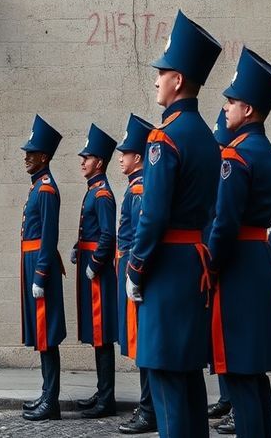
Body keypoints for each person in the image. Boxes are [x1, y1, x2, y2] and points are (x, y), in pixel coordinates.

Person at [124, 10, 222, 438]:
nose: (156, 80)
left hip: (164, 267)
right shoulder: (205, 134)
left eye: (161, 73)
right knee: (189, 380)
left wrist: (135, 267)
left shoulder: (165, 137)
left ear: (178, 80)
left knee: (164, 379)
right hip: (194, 265)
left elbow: (154, 214)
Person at [206, 48, 271, 438]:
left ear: (250, 109)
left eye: (232, 101)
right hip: (258, 257)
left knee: (240, 373)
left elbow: (224, 222)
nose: (226, 108)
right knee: (255, 376)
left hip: (237, 265)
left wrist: (211, 264)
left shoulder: (235, 155)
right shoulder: (269, 152)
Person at [19, 115, 66, 422]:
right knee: (41, 335)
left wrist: (40, 275)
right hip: (32, 260)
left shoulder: (46, 189)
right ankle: (46, 393)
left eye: (32, 153)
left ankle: (51, 401)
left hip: (40, 265)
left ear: (44, 157)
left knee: (46, 334)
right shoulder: (38, 186)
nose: (27, 157)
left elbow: (49, 236)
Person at [72, 124, 119, 419]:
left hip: (98, 274)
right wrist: (79, 247)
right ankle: (103, 391)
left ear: (99, 162)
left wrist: (93, 264)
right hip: (91, 267)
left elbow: (106, 235)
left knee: (102, 335)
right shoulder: (93, 190)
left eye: (87, 157)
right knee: (95, 334)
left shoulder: (102, 194)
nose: (82, 161)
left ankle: (107, 399)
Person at [114, 113, 157, 435]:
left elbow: (140, 233)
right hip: (127, 265)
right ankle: (147, 406)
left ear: (138, 158)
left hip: (133, 267)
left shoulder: (140, 188)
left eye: (124, 154)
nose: (120, 159)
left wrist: (133, 272)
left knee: (143, 343)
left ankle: (148, 409)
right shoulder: (135, 187)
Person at [209, 108, 236, 436]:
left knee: (231, 338)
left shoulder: (232, 170)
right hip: (215, 260)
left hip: (226, 262)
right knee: (219, 336)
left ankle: (234, 403)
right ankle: (227, 397)